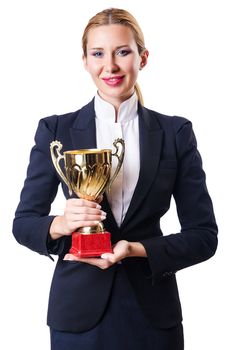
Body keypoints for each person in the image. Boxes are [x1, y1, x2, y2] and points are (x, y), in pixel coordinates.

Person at [13, 7, 218, 350]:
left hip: (153, 314)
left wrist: (137, 250)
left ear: (143, 57)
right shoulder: (55, 130)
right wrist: (61, 224)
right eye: (98, 54)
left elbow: (204, 236)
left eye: (122, 52)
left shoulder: (175, 133)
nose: (110, 66)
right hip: (77, 315)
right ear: (85, 60)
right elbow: (24, 223)